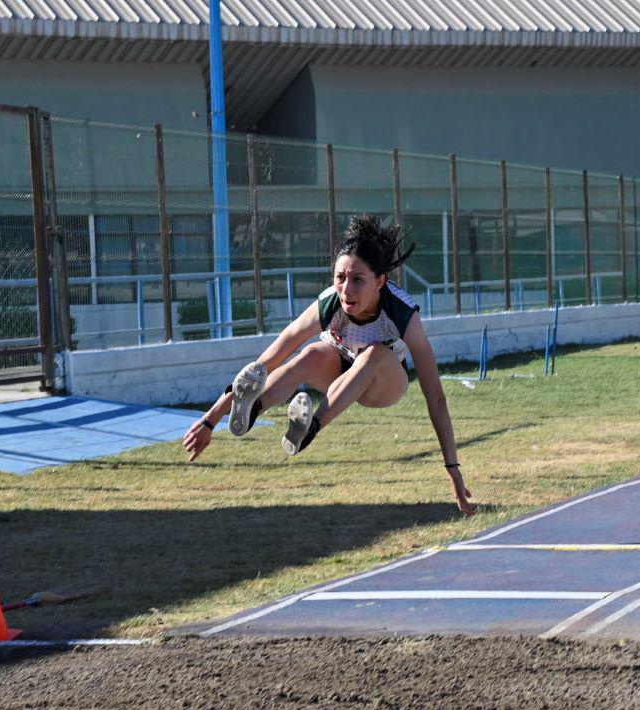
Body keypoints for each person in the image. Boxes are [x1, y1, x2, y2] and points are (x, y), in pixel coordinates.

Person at [182, 214, 476, 516]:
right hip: (338, 372)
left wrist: (453, 469)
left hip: (383, 384)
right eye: (340, 278)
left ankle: (311, 426)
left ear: (380, 282)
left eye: (358, 280)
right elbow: (265, 363)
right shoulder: (328, 304)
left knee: (373, 354)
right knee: (309, 355)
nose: (347, 289)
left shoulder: (402, 314)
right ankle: (254, 409)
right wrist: (211, 419)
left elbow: (436, 397)